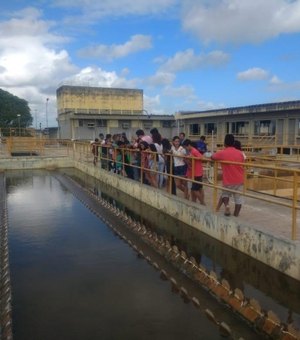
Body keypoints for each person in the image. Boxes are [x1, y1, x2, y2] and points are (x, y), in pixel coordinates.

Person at [211, 134, 245, 217]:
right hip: (239, 179)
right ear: (233, 143)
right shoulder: (240, 153)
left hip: (228, 180)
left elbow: (212, 157)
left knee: (225, 194)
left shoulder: (222, 153)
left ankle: (227, 205)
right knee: (238, 199)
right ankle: (236, 215)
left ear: (224, 143)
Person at [182, 139, 205, 205]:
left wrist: (192, 157)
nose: (186, 149)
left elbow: (201, 157)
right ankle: (195, 201)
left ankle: (202, 202)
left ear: (189, 145)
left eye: (186, 147)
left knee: (195, 189)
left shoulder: (194, 151)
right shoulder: (191, 151)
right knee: (198, 188)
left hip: (197, 173)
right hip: (195, 172)